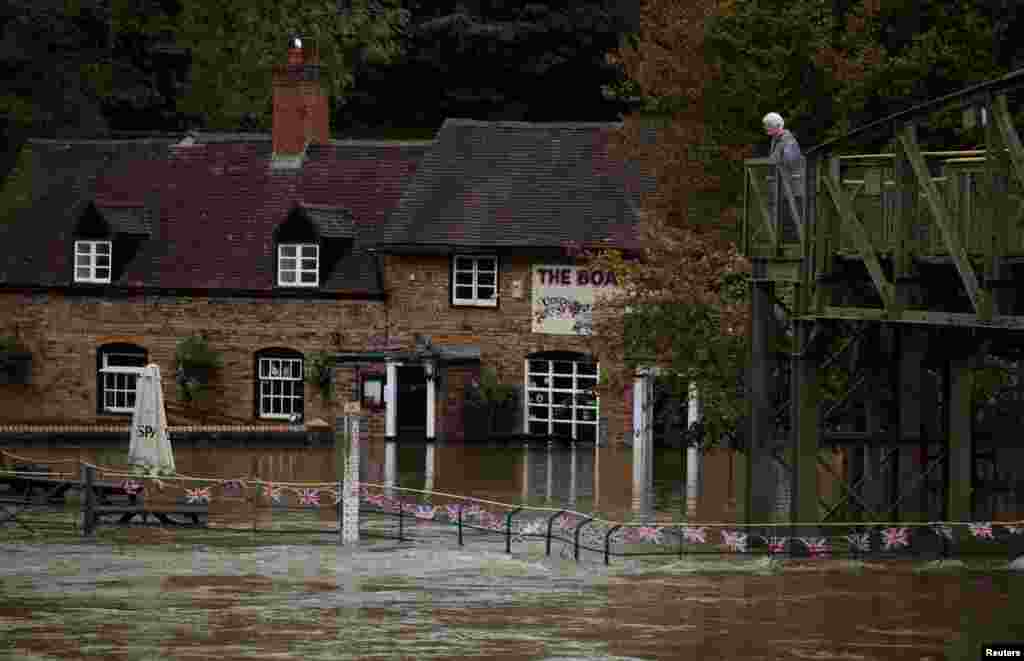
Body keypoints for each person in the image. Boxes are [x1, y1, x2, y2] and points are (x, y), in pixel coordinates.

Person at [763, 112, 805, 241]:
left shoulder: (788, 140)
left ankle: (793, 243)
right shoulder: (775, 141)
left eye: (767, 126)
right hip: (782, 189)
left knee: (792, 219)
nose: (765, 128)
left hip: (792, 189)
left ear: (776, 126)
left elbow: (790, 161)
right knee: (783, 220)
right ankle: (784, 241)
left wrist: (777, 163)